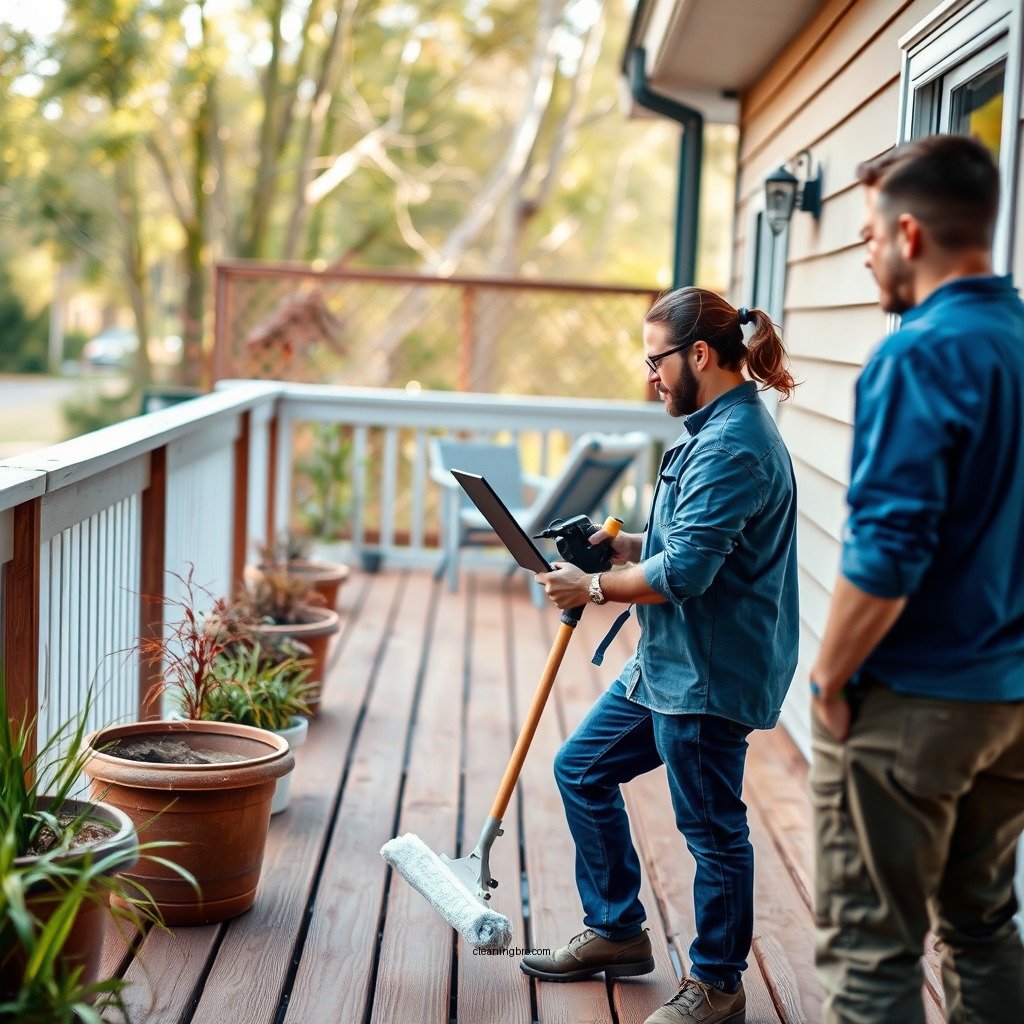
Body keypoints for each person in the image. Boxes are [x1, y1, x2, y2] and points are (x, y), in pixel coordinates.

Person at [520, 287, 800, 1024]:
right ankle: (616, 932)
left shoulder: (736, 446)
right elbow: (683, 547)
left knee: (712, 830)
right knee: (581, 769)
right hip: (669, 665)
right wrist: (620, 546)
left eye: (656, 360)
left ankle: (717, 983)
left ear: (699, 355)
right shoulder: (713, 431)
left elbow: (687, 574)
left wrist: (595, 585)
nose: (650, 375)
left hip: (708, 675)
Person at [809, 133, 1024, 1024]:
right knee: (982, 923)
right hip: (1011, 703)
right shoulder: (1013, 342)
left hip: (917, 703)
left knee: (872, 949)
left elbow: (887, 553)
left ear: (907, 234)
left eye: (865, 232)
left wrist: (828, 676)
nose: (862, 252)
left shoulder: (918, 354)